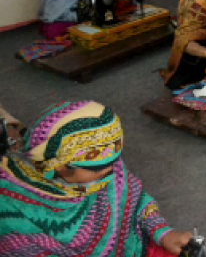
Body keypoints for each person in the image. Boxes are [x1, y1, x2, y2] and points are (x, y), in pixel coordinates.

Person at [0, 100, 193, 255]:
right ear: (57, 165)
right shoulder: (11, 207)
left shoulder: (103, 162)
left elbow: (136, 202)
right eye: (98, 168)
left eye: (114, 161)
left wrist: (163, 233)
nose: (112, 171)